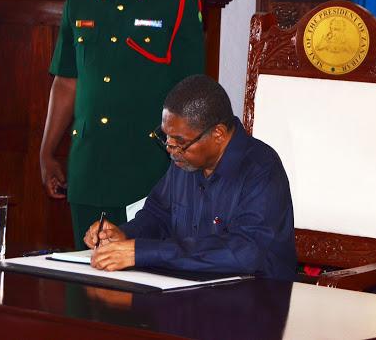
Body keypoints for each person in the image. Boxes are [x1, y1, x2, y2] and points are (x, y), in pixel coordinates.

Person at [40, 0, 205, 248]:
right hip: (88, 166)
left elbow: (191, 92)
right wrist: (47, 152)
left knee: (140, 271)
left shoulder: (177, 2)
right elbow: (66, 81)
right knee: (85, 269)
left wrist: (186, 166)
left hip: (147, 170)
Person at [83, 75, 297, 280]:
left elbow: (244, 252)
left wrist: (142, 252)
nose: (170, 149)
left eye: (179, 141)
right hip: (186, 287)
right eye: (166, 137)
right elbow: (158, 215)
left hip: (255, 293)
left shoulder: (261, 169)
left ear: (218, 134)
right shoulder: (184, 160)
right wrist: (124, 235)